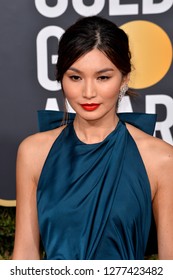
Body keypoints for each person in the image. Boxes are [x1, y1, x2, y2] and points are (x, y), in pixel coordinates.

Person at [12, 16, 173, 260]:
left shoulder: (161, 159)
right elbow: (24, 256)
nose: (88, 93)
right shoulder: (33, 152)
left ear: (124, 78)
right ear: (61, 78)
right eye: (75, 77)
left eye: (103, 77)